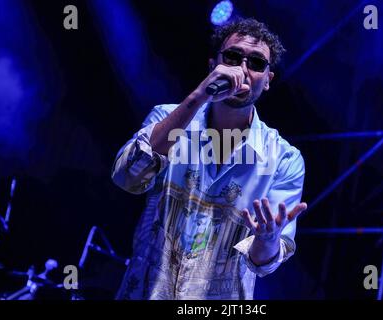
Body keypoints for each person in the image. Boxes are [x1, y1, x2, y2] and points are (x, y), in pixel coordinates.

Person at [111, 17, 307, 300]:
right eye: (232, 57)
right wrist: (198, 96)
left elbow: (264, 263)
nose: (242, 69)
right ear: (213, 64)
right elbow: (125, 177)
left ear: (267, 81)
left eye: (256, 63)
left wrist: (267, 239)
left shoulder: (284, 159)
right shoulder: (167, 118)